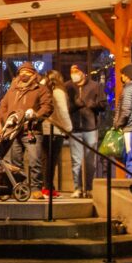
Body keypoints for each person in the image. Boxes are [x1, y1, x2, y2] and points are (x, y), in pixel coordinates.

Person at [0, 63, 52, 191]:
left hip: (32, 130)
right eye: (21, 72)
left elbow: (48, 106)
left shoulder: (41, 89)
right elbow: (3, 106)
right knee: (15, 162)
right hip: (14, 131)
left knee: (35, 161)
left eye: (27, 72)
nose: (23, 74)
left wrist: (36, 115)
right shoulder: (12, 89)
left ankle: (36, 188)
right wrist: (7, 119)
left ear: (33, 73)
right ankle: (19, 188)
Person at [67, 64, 106, 198]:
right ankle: (77, 188)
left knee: (90, 161)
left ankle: (89, 188)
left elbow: (103, 104)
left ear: (83, 73)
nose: (74, 74)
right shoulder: (68, 87)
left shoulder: (95, 86)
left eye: (76, 71)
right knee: (76, 161)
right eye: (72, 72)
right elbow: (65, 106)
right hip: (75, 128)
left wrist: (92, 105)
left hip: (90, 128)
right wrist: (74, 105)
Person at [43, 69, 73, 198]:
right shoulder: (58, 92)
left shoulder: (44, 91)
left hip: (44, 129)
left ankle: (47, 187)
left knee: (46, 161)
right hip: (56, 130)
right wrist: (68, 128)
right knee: (52, 161)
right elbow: (63, 111)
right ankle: (48, 188)